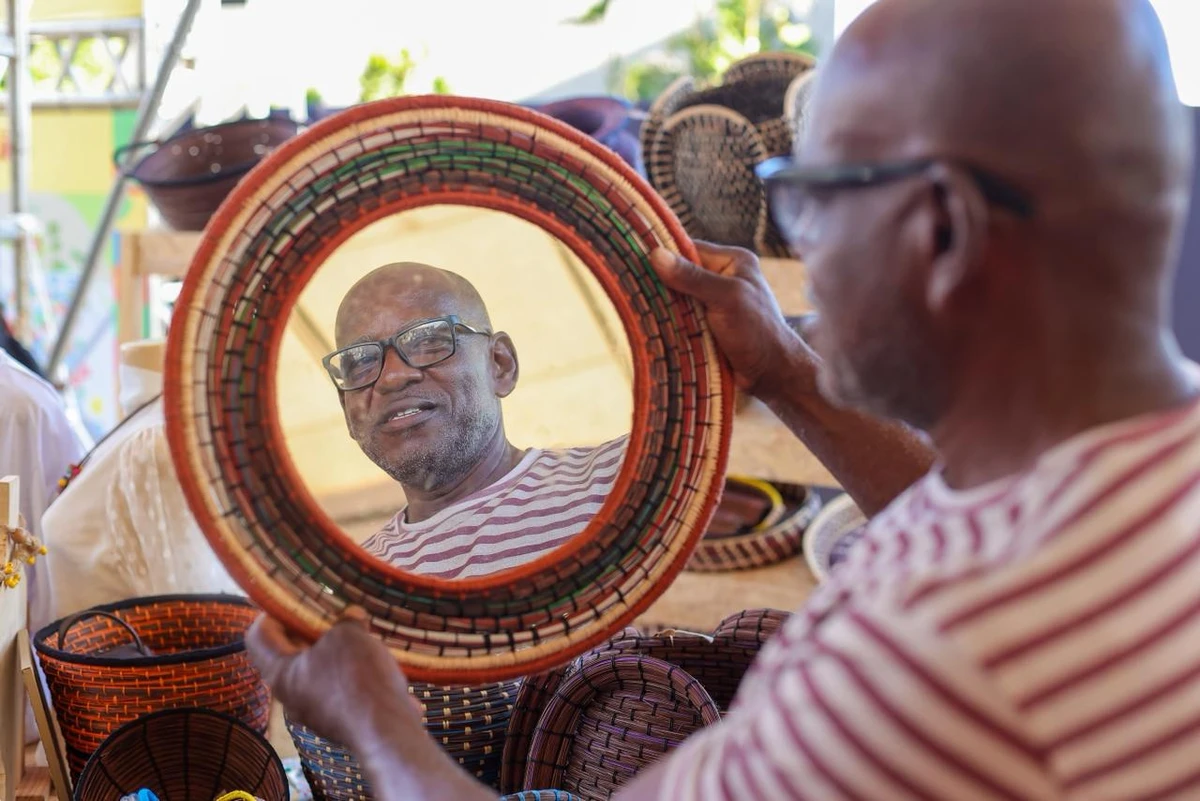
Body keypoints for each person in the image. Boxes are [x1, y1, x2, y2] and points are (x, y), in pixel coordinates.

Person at [247, 0, 1200, 796]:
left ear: (941, 229)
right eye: (362, 362)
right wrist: (784, 368)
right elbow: (966, 512)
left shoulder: (933, 648)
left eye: (810, 195)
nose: (799, 250)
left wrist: (377, 723)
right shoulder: (1140, 479)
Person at [325, 262, 626, 579]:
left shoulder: (626, 480)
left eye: (427, 340)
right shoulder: (350, 587)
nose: (392, 377)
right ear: (347, 409)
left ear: (500, 364)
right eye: (360, 362)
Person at [39, 339, 241, 625]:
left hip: (119, 650)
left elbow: (184, 613)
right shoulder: (140, 428)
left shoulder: (154, 444)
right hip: (90, 645)